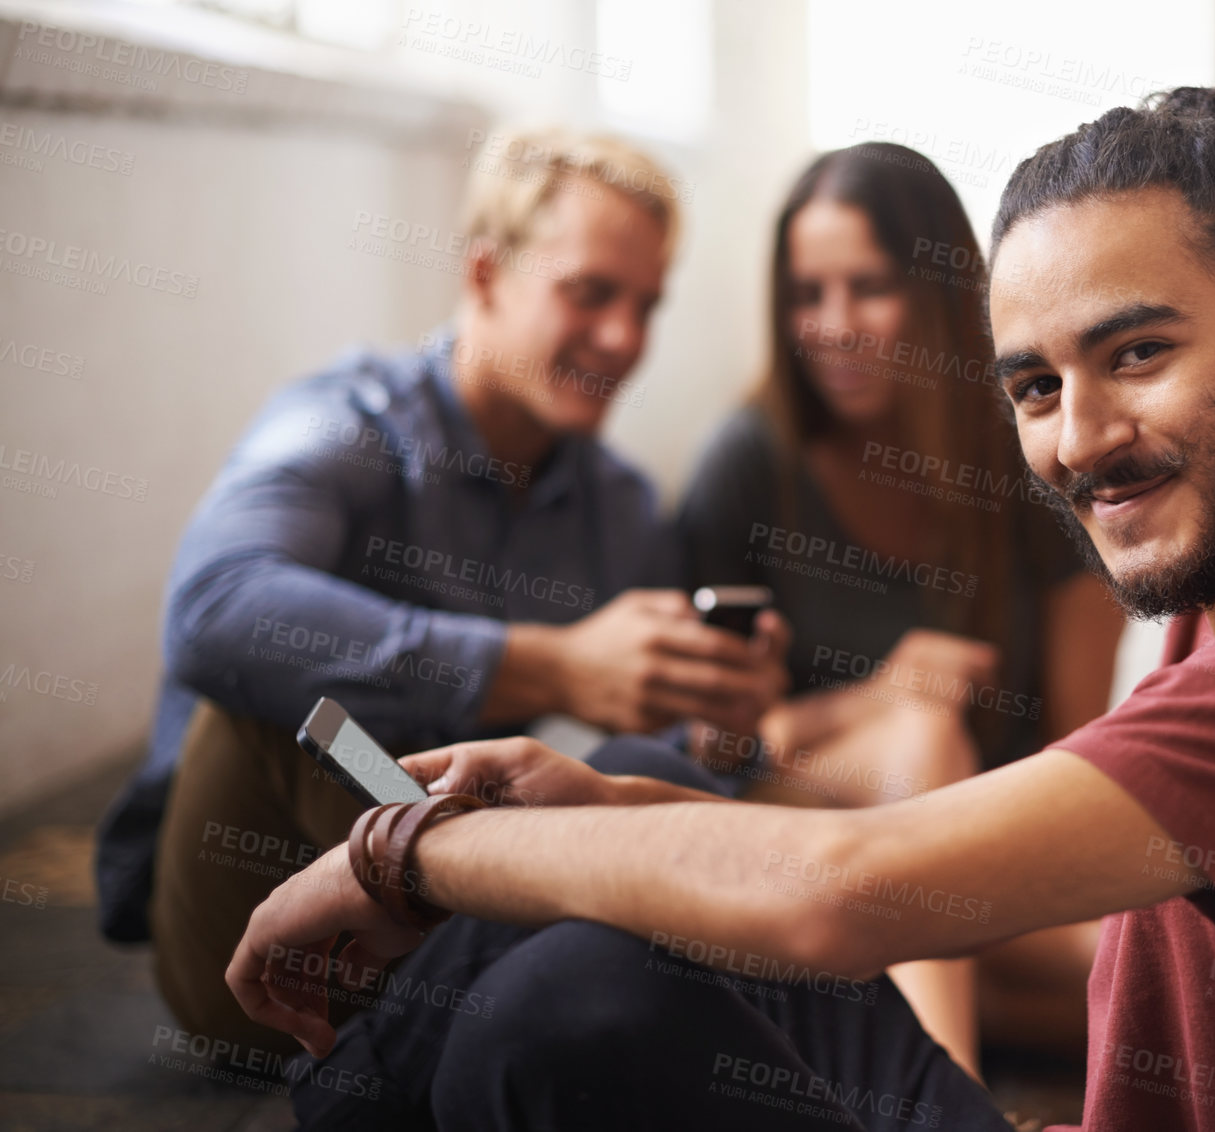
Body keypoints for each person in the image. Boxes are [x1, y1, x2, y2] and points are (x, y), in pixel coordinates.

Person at [233, 88, 1215, 1131]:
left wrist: (398, 857)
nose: (1081, 437)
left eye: (1138, 351)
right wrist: (607, 803)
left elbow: (842, 894)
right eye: (1034, 386)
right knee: (607, 783)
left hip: (883, 878)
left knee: (569, 1006)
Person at [97, 127, 789, 1050]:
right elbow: (213, 610)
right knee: (293, 693)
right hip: (252, 927)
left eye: (646, 305)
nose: (624, 339)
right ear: (484, 274)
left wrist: (709, 726)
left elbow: (646, 752)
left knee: (636, 793)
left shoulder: (619, 505)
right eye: (589, 294)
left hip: (449, 885)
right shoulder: (345, 418)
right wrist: (546, 668)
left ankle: (550, 1001)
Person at [676, 141, 1123, 1073]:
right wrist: (876, 699)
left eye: (867, 287)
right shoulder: (751, 464)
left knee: (1127, 954)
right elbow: (703, 751)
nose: (833, 325)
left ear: (939, 292)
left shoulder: (1031, 460)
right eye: (808, 293)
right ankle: (947, 1095)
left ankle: (937, 1030)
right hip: (789, 828)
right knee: (920, 739)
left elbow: (1076, 755)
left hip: (982, 856)